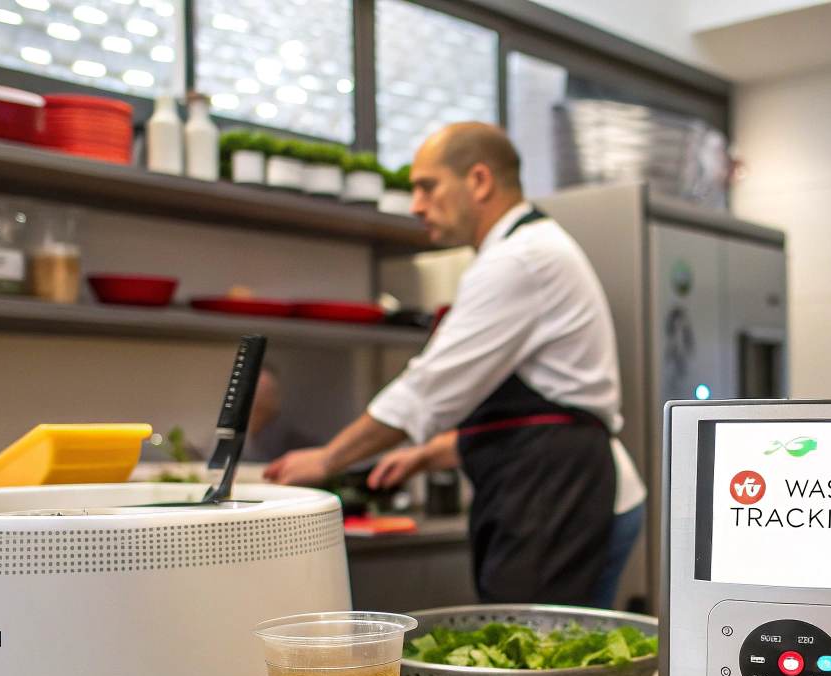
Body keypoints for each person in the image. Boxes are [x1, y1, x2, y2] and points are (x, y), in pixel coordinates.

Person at [263, 122, 643, 606]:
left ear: (479, 181)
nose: (416, 204)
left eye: (427, 186)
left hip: (561, 489)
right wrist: (426, 454)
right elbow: (522, 412)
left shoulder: (521, 259)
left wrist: (327, 459)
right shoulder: (517, 253)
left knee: (532, 663)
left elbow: (429, 388)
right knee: (545, 656)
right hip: (557, 483)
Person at [369, 429, 646, 609]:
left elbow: (410, 402)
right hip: (566, 491)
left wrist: (327, 461)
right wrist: (421, 456)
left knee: (568, 634)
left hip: (587, 491)